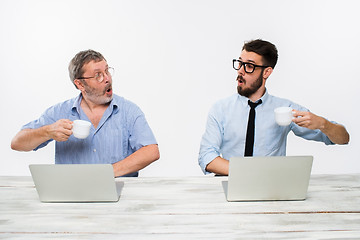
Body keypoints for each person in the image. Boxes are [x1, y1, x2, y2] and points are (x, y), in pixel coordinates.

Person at [198, 39, 349, 176]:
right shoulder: (220, 109)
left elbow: (343, 138)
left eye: (249, 66)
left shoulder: (286, 109)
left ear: (267, 72)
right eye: (240, 63)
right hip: (230, 184)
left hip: (271, 192)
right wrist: (248, 175)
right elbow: (207, 156)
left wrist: (323, 124)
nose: (240, 71)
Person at [11, 49, 160, 177]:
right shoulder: (60, 112)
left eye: (107, 71)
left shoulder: (129, 111)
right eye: (98, 75)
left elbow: (151, 151)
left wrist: (106, 174)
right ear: (80, 84)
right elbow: (17, 143)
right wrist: (48, 131)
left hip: (118, 198)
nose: (107, 78)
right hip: (71, 196)